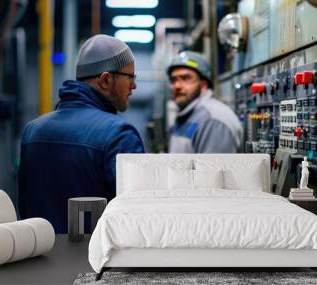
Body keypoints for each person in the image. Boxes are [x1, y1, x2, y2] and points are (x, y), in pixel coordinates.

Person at [18, 34, 145, 233]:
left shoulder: (32, 131)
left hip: (40, 258)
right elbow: (136, 217)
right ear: (105, 80)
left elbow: (26, 207)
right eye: (130, 77)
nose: (134, 86)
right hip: (95, 262)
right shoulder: (119, 134)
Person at [167, 51, 243, 153]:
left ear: (203, 85)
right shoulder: (186, 115)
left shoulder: (213, 121)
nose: (177, 86)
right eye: (173, 80)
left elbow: (213, 168)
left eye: (186, 78)